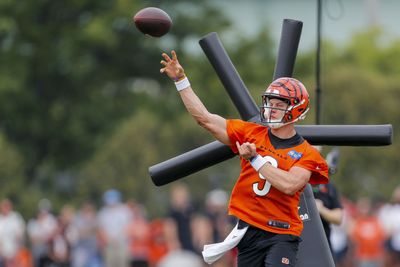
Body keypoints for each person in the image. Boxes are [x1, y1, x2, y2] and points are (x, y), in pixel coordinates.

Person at [160, 50, 329, 267]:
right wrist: (180, 81)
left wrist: (255, 159)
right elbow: (205, 119)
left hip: (282, 234)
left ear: (297, 109)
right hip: (249, 231)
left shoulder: (307, 153)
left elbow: (289, 184)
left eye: (280, 104)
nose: (272, 108)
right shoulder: (251, 132)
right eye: (271, 102)